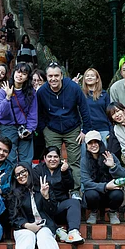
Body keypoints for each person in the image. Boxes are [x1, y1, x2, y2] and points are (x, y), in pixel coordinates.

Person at [6, 163, 66, 249]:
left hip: (44, 225)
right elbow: (13, 217)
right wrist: (27, 225)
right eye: (17, 175)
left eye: (23, 172)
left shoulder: (43, 187)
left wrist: (46, 197)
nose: (21, 176)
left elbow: (53, 212)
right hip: (24, 227)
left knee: (45, 237)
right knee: (27, 238)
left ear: (29, 170)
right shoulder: (14, 194)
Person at [36, 62, 92, 192]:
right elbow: (38, 112)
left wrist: (85, 130)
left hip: (72, 128)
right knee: (54, 161)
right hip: (51, 129)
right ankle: (57, 190)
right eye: (50, 76)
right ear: (47, 77)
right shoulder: (42, 91)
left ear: (61, 75)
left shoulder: (73, 88)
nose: (53, 79)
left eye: (56, 75)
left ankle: (75, 190)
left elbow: (84, 108)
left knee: (74, 162)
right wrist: (43, 129)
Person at [32, 146, 84, 244]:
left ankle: (73, 232)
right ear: (44, 158)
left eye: (55, 157)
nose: (52, 159)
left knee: (74, 202)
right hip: (44, 208)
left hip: (59, 206)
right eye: (49, 156)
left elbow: (70, 186)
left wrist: (65, 173)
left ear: (59, 158)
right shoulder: (38, 170)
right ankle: (56, 230)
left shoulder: (63, 168)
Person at [80, 131, 125, 225]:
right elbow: (86, 182)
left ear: (100, 143)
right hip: (94, 195)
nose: (93, 145)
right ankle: (93, 212)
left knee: (118, 194)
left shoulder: (110, 156)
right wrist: (105, 186)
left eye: (95, 142)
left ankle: (112, 212)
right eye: (90, 143)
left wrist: (113, 166)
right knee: (91, 194)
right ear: (86, 145)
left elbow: (123, 176)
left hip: (110, 194)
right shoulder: (84, 160)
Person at [0, 62, 37, 166]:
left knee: (26, 158)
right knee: (9, 157)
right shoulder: (4, 90)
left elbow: (33, 112)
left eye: (24, 73)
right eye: (18, 72)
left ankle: (25, 180)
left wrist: (30, 128)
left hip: (25, 127)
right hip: (8, 127)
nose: (20, 75)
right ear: (13, 73)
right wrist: (8, 97)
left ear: (27, 77)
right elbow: (1, 113)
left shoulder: (31, 92)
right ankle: (10, 181)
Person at [80, 68, 112, 144]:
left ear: (97, 79)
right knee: (85, 155)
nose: (89, 77)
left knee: (105, 154)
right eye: (87, 76)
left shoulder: (104, 95)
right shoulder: (80, 94)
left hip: (103, 129)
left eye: (92, 76)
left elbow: (109, 114)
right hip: (86, 130)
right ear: (84, 79)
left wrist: (111, 130)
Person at [30, 69, 47, 161]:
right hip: (31, 127)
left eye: (39, 80)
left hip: (44, 126)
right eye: (34, 80)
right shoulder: (28, 92)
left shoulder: (48, 93)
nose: (36, 83)